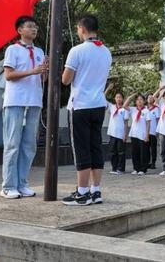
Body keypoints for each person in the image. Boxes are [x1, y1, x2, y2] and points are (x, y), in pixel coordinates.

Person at [62, 14, 112, 206]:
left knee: (81, 148)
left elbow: (66, 79)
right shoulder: (106, 51)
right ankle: (96, 190)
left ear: (82, 29)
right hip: (99, 104)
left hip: (80, 105)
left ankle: (82, 193)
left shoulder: (77, 51)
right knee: (95, 146)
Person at [0, 15, 47, 199]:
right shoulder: (13, 49)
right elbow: (8, 75)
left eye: (35, 26)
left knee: (29, 145)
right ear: (20, 30)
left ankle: (22, 183)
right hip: (15, 101)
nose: (34, 29)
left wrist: (44, 70)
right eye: (29, 26)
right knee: (12, 144)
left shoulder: (40, 51)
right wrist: (33, 71)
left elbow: (41, 79)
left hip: (34, 101)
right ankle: (8, 186)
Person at [124, 93, 151, 175]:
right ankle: (136, 168)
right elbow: (124, 106)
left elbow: (148, 123)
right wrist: (130, 97)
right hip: (134, 134)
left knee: (143, 152)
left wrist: (147, 135)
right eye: (138, 100)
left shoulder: (146, 111)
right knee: (134, 152)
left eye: (141, 100)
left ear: (144, 101)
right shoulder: (133, 109)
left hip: (142, 134)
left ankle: (143, 169)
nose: (139, 101)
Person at [104, 84, 127, 175]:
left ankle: (121, 168)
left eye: (120, 97)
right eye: (117, 97)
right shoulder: (112, 107)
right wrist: (108, 89)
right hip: (112, 133)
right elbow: (103, 98)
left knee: (121, 152)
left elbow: (125, 123)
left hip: (120, 133)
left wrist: (125, 134)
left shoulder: (124, 109)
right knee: (113, 152)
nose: (118, 99)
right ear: (115, 99)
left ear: (122, 99)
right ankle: (114, 168)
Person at [146, 94, 160, 170]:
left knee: (153, 148)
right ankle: (147, 162)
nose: (150, 99)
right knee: (146, 148)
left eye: (151, 98)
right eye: (148, 97)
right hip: (145, 132)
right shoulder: (145, 108)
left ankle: (153, 163)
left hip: (153, 131)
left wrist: (157, 130)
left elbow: (158, 120)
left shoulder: (156, 109)